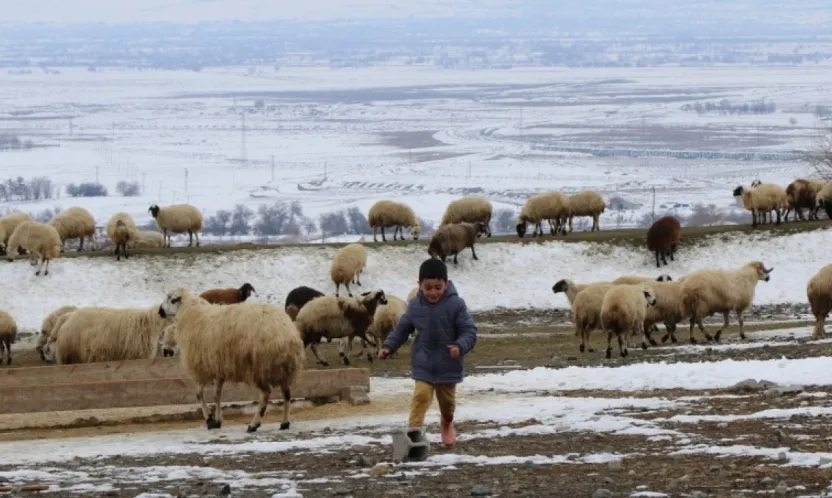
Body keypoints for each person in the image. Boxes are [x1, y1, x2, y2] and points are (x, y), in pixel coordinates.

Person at [378, 258, 478, 448]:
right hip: (423, 361)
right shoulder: (415, 306)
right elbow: (402, 328)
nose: (433, 292)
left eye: (438, 287)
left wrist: (460, 346)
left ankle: (447, 422)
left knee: (447, 405)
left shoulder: (456, 305)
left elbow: (469, 331)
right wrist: (388, 346)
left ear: (446, 284)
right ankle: (414, 433)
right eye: (428, 287)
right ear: (420, 285)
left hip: (448, 364)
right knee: (421, 396)